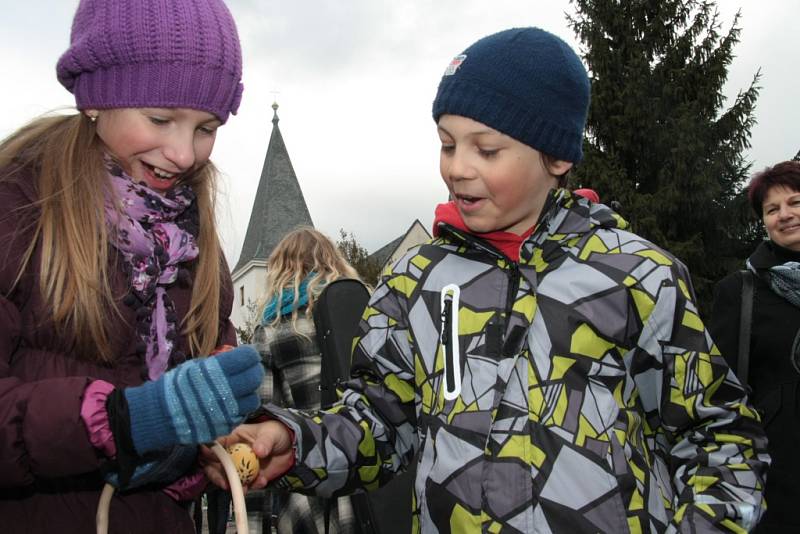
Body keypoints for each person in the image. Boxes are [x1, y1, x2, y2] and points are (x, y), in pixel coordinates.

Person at [207, 28, 769, 532]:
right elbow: (383, 418)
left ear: (556, 157)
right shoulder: (415, 279)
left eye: (487, 148)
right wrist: (298, 441)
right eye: (447, 144)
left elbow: (719, 439)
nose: (457, 167)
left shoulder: (636, 276)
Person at [0, 1, 264, 533]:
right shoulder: (18, 208)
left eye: (206, 127)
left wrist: (225, 427)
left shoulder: (195, 239)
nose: (185, 153)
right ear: (97, 99)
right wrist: (121, 422)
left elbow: (204, 355)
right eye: (160, 119)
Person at [248, 226, 361, 533]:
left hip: (305, 487)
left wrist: (253, 524)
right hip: (366, 479)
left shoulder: (270, 332)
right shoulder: (366, 322)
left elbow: (257, 435)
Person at [710, 160, 800, 533]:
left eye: (795, 202)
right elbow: (716, 389)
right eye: (772, 209)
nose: (785, 215)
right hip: (779, 482)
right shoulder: (741, 292)